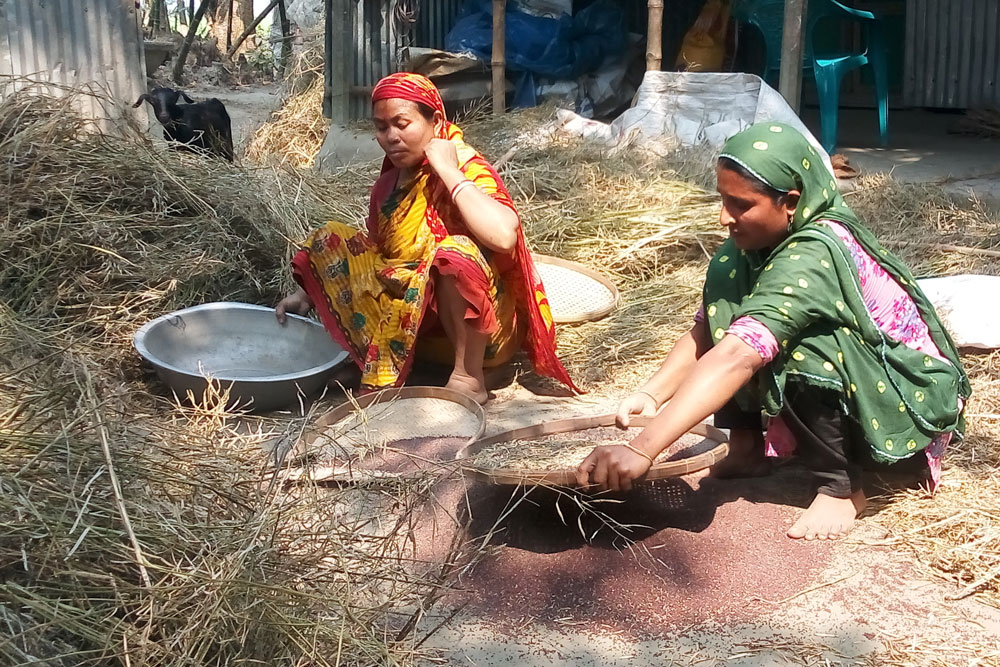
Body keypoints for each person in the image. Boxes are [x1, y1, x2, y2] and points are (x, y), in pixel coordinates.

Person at [576, 123, 969, 540]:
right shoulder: (746, 250)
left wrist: (642, 448)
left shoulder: (815, 250)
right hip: (860, 387)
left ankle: (841, 488)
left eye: (741, 204)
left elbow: (737, 355)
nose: (724, 216)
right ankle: (746, 450)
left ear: (791, 203)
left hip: (902, 397)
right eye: (722, 198)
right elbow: (708, 330)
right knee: (738, 319)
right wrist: (652, 394)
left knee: (795, 345)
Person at [276, 73, 576, 403]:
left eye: (402, 124)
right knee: (331, 239)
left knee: (453, 254)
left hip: (477, 326)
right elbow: (381, 255)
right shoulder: (390, 184)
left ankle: (467, 376)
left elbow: (504, 236)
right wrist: (306, 294)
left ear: (435, 120)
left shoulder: (465, 166)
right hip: (413, 323)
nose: (391, 137)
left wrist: (448, 172)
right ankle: (371, 359)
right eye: (381, 127)